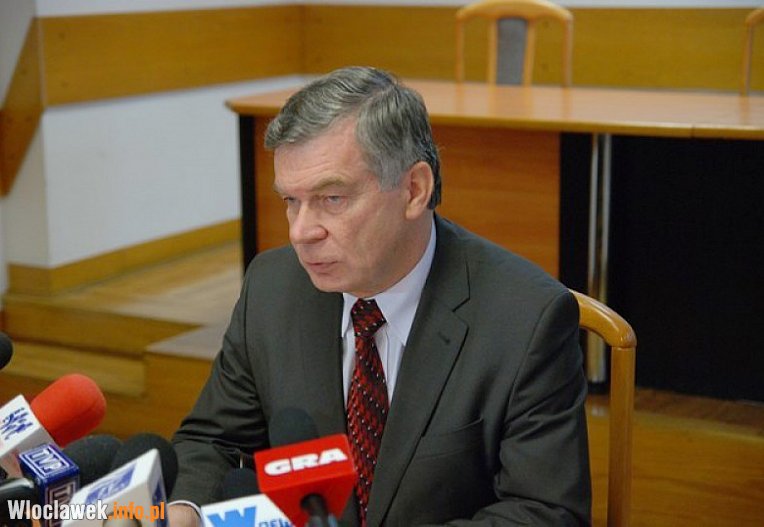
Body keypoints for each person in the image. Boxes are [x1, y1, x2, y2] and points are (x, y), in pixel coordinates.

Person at [169, 66, 591, 526]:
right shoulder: (272, 288)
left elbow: (544, 511)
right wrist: (184, 510)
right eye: (291, 201)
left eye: (332, 199)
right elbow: (213, 441)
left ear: (414, 190)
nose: (300, 232)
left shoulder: (526, 319)